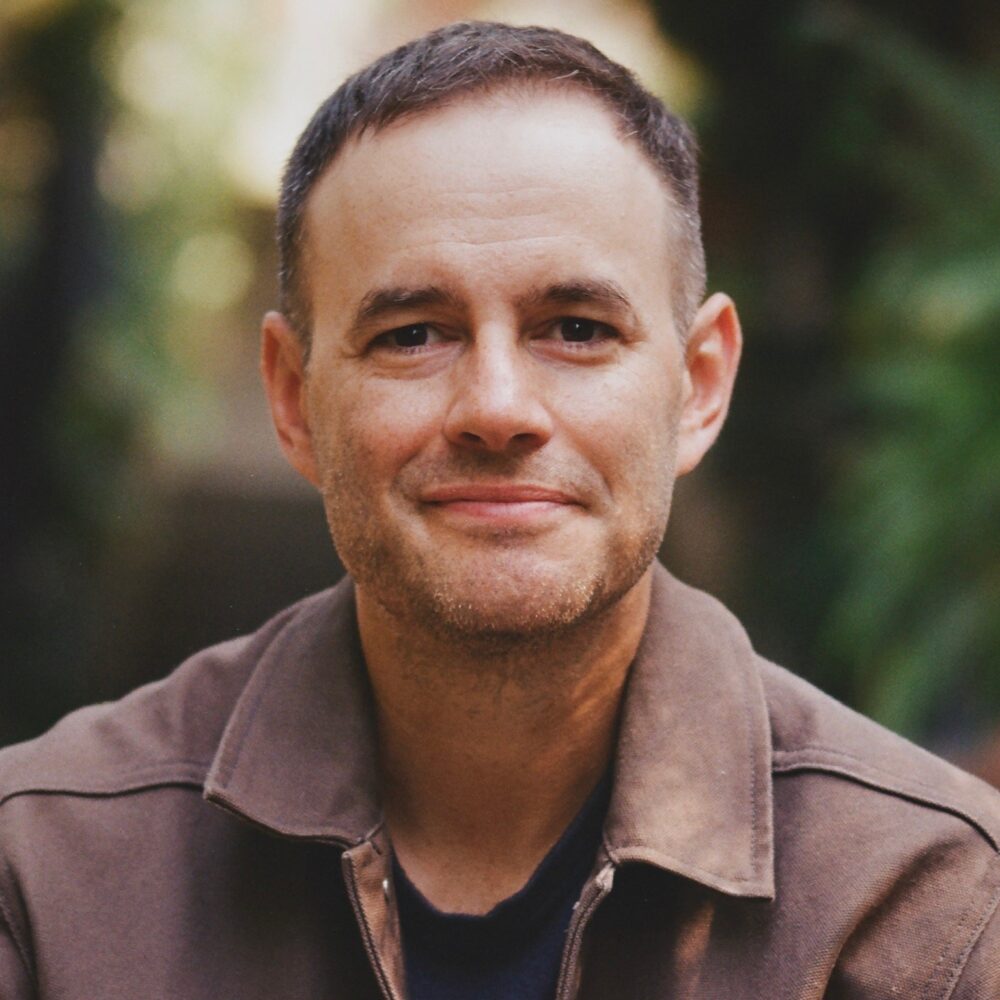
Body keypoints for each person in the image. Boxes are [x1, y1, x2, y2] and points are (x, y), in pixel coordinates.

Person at [1, 20, 998, 1000]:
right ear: (293, 397)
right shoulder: (48, 873)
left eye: (574, 328)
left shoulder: (924, 910)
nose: (496, 408)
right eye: (412, 333)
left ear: (698, 385)